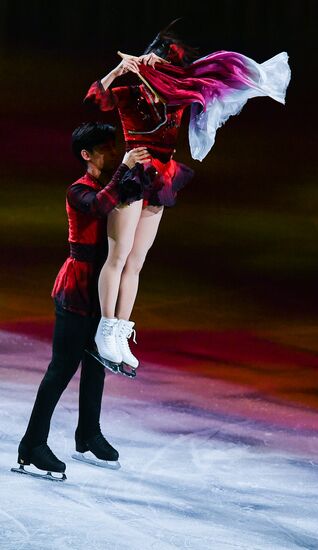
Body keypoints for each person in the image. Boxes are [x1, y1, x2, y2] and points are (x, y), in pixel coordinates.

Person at [85, 21, 291, 372]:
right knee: (118, 255)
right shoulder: (129, 89)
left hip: (161, 176)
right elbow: (94, 100)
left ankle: (120, 330)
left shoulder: (178, 96)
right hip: (135, 172)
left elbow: (219, 88)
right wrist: (119, 69)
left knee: (137, 260)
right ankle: (105, 329)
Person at [13, 122, 150, 480]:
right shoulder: (79, 189)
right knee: (62, 368)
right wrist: (125, 168)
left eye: (113, 146)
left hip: (100, 287)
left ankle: (88, 434)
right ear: (87, 155)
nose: (113, 152)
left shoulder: (115, 183)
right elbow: (101, 206)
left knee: (97, 363)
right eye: (105, 148)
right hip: (78, 286)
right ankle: (32, 444)